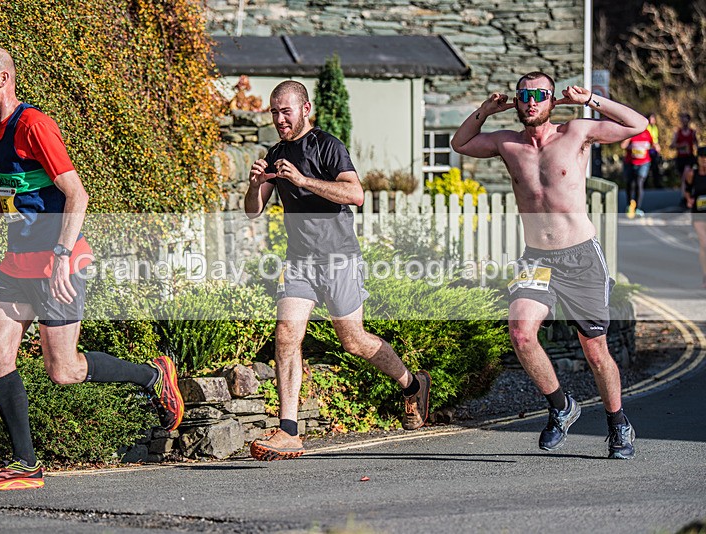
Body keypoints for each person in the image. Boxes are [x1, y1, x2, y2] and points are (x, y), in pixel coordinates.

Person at [0, 46, 184, 490]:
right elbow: (28, 189)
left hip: (56, 262)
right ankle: (25, 464)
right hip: (17, 263)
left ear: (3, 78)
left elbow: (76, 194)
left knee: (63, 371)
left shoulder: (34, 125)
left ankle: (152, 375)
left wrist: (63, 257)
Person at [450, 71, 648, 459]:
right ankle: (561, 406)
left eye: (539, 94)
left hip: (581, 258)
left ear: (552, 101)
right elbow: (460, 143)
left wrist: (591, 99)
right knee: (522, 334)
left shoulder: (576, 133)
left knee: (594, 350)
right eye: (524, 95)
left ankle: (618, 423)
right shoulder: (507, 144)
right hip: (536, 257)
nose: (530, 101)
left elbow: (638, 124)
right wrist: (485, 110)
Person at [243, 81, 430, 461]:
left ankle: (411, 385)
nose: (279, 119)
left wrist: (301, 180)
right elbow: (252, 210)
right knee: (286, 335)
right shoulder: (275, 153)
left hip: (339, 258)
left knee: (354, 341)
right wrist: (256, 184)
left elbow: (354, 194)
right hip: (299, 261)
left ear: (305, 109)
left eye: (286, 111)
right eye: (274, 112)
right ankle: (289, 430)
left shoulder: (328, 146)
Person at [683, 146, 706, 287]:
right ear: (697, 159)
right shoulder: (692, 174)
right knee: (704, 243)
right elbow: (687, 190)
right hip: (698, 214)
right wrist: (689, 199)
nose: (704, 161)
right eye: (702, 158)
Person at [621, 128, 653, 218]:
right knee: (630, 184)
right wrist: (630, 141)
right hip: (630, 162)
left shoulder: (647, 133)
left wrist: (654, 147)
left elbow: (653, 144)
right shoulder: (631, 132)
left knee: (639, 183)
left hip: (643, 162)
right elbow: (623, 146)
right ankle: (629, 205)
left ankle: (637, 208)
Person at [672, 113, 698, 204]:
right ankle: (687, 195)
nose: (684, 122)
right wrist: (681, 146)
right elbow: (672, 145)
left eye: (686, 120)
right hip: (680, 158)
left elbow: (696, 144)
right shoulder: (677, 132)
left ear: (689, 121)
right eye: (682, 120)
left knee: (685, 176)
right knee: (684, 178)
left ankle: (685, 198)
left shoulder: (692, 132)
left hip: (689, 158)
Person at [646, 113, 663, 189]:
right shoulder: (647, 127)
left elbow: (655, 139)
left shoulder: (655, 128)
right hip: (648, 149)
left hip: (654, 149)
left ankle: (656, 184)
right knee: (647, 167)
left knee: (655, 167)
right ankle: (645, 185)